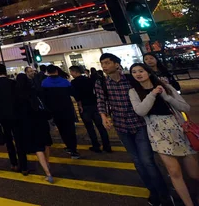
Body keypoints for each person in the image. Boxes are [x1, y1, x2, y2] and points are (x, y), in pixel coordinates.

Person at [96, 53, 171, 205]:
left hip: (140, 123)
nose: (104, 66)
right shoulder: (101, 82)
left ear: (117, 64)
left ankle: (164, 194)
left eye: (107, 63)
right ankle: (153, 192)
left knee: (147, 160)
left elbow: (147, 90)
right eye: (102, 64)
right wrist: (104, 117)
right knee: (137, 161)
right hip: (121, 126)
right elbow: (101, 101)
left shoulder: (130, 79)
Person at [128, 63, 198, 206]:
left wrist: (167, 97)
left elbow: (185, 107)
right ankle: (188, 203)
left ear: (148, 72)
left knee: (194, 173)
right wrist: (152, 94)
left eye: (141, 71)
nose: (138, 74)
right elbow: (140, 111)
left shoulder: (165, 86)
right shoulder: (134, 91)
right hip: (157, 132)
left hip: (179, 129)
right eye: (134, 72)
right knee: (174, 172)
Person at [15, 74, 54, 183]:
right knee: (46, 143)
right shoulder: (34, 91)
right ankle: (48, 163)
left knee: (38, 148)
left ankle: (47, 173)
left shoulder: (18, 95)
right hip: (41, 121)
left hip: (29, 124)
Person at [0, 64, 28, 174]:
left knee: (9, 141)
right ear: (5, 72)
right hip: (16, 115)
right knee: (19, 141)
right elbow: (19, 99)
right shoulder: (13, 83)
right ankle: (24, 166)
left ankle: (14, 164)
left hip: (3, 117)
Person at [69, 65, 112, 153]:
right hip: (95, 105)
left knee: (90, 128)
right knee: (101, 127)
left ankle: (96, 145)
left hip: (84, 107)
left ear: (75, 72)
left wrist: (80, 105)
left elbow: (77, 96)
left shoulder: (74, 82)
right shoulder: (89, 80)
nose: (71, 74)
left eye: (71, 72)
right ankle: (107, 146)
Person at [41, 65, 80, 158]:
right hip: (67, 109)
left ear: (47, 72)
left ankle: (68, 146)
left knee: (62, 129)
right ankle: (73, 149)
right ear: (56, 71)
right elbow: (73, 93)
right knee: (70, 129)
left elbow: (44, 99)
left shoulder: (44, 83)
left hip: (55, 111)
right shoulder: (64, 81)